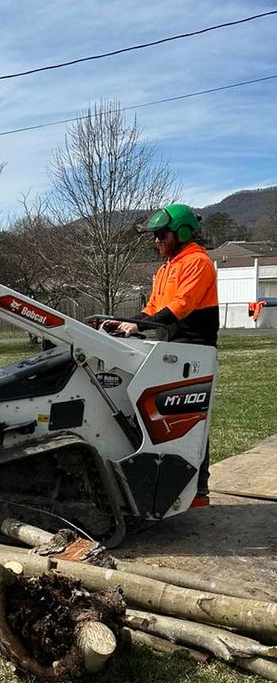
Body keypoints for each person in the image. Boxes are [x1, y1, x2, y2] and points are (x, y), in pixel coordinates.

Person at [102, 202, 218, 503]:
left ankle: (197, 488)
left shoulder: (198, 263)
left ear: (180, 233)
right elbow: (154, 307)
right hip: (170, 343)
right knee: (159, 412)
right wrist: (129, 323)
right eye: (154, 237)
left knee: (189, 418)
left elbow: (182, 305)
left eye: (161, 236)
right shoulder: (167, 267)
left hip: (193, 347)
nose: (156, 242)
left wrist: (140, 325)